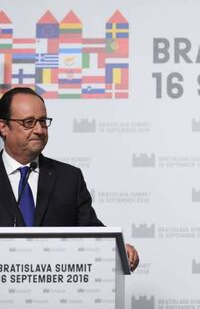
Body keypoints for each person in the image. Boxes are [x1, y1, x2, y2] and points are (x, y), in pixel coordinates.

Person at [0, 87, 139, 270]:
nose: (39, 130)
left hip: (55, 290)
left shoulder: (69, 178)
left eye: (43, 121)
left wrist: (118, 249)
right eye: (28, 122)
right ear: (3, 127)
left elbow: (90, 230)